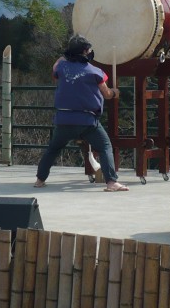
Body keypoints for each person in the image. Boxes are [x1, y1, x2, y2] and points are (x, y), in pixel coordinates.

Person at [34, 35, 129, 192]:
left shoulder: (61, 69)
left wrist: (66, 53)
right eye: (89, 50)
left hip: (63, 119)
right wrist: (114, 92)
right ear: (85, 51)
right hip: (87, 121)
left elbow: (56, 64)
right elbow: (106, 94)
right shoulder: (95, 72)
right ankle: (111, 182)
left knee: (53, 149)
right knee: (105, 146)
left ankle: (39, 179)